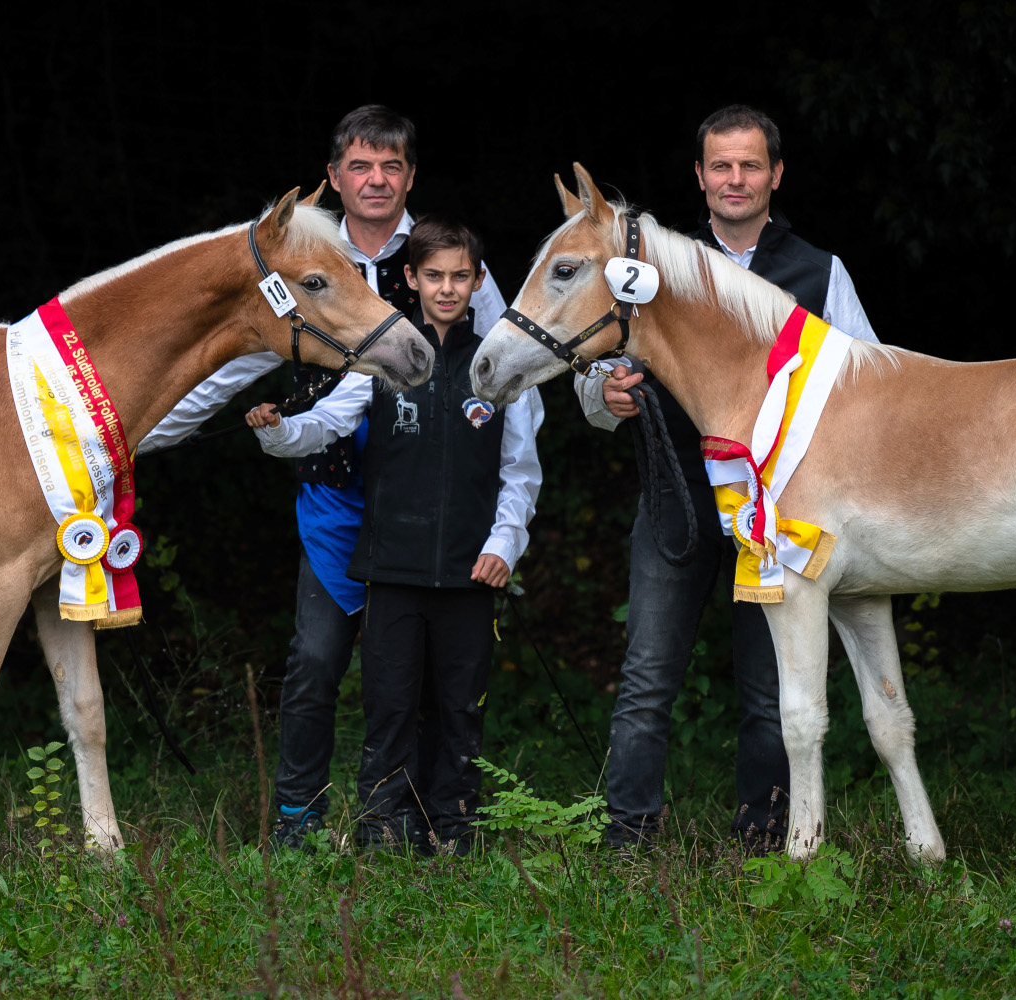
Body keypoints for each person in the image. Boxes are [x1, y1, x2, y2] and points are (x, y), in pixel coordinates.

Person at [134, 106, 504, 848]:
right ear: (333, 177)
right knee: (314, 660)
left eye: (391, 166)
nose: (376, 180)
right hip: (335, 494)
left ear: (410, 176)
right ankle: (299, 820)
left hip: (427, 503)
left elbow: (500, 369)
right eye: (360, 166)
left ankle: (426, 819)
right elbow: (233, 360)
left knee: (426, 677)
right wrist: (135, 436)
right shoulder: (301, 252)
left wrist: (503, 515)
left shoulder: (446, 259)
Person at [573, 104, 880, 850]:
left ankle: (763, 837)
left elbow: (868, 385)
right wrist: (601, 397)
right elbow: (593, 375)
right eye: (720, 166)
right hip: (674, 496)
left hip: (778, 513)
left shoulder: (819, 272)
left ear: (774, 175)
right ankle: (628, 839)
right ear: (699, 178)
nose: (733, 178)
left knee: (772, 686)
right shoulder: (650, 272)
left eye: (748, 165)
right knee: (646, 679)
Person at [253, 218, 542, 853]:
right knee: (389, 706)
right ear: (409, 279)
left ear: (477, 281)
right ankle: (384, 827)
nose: (447, 288)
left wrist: (503, 547)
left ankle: (454, 828)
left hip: (471, 571)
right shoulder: (384, 360)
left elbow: (521, 473)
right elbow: (325, 424)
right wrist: (277, 429)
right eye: (433, 275)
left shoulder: (501, 364)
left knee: (459, 708)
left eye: (460, 276)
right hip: (389, 569)